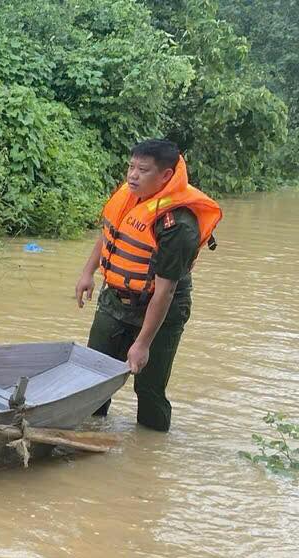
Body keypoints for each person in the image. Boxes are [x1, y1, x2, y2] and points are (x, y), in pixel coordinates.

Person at [75, 139, 221, 431]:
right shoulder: (130, 196)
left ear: (166, 176)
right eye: (131, 166)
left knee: (149, 389)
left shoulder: (178, 225)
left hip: (161, 311)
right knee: (93, 377)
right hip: (115, 300)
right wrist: (87, 273)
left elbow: (165, 292)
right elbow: (110, 234)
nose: (132, 175)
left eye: (143, 170)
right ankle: (90, 435)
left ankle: (150, 453)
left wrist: (142, 344)